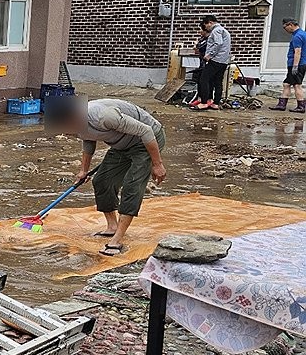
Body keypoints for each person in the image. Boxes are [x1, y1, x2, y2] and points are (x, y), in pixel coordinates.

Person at [45, 97, 167, 257]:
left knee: (132, 186)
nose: (64, 132)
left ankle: (117, 239)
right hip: (121, 146)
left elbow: (146, 131)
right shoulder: (75, 125)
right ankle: (112, 227)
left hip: (147, 142)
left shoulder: (105, 116)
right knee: (102, 181)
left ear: (73, 117)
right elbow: (88, 139)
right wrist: (83, 170)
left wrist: (157, 164)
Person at [270, 18, 306, 113]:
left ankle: (301, 106)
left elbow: (297, 52)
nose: (285, 30)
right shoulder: (303, 34)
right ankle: (281, 104)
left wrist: (295, 66)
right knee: (286, 84)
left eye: (285, 27)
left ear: (290, 25)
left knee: (297, 85)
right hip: (301, 63)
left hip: (297, 64)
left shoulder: (297, 37)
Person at [197, 15, 231, 111]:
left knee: (204, 79)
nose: (206, 28)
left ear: (210, 22)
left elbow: (218, 43)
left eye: (206, 25)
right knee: (218, 82)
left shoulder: (216, 31)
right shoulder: (225, 31)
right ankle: (215, 103)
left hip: (216, 60)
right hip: (224, 61)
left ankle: (204, 102)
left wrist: (209, 55)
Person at [187, 26, 209, 108]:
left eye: (201, 29)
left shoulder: (208, 39)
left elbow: (200, 48)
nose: (199, 31)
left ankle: (205, 100)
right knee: (199, 81)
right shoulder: (202, 39)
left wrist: (196, 46)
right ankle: (199, 98)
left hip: (206, 63)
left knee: (204, 81)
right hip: (201, 61)